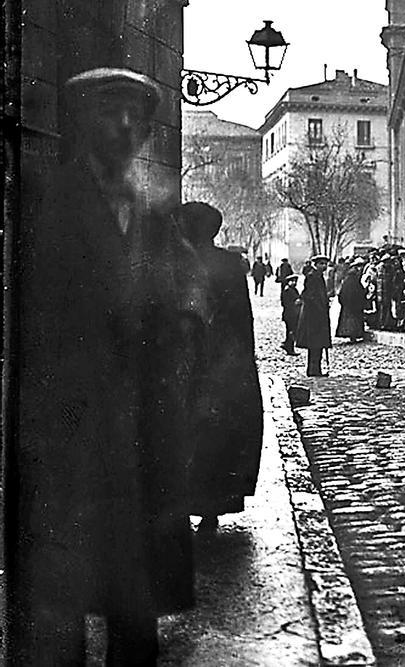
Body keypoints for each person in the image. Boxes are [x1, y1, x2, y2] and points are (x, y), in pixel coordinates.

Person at [14, 67, 206, 664]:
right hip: (71, 426)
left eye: (136, 118)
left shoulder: (147, 215)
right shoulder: (49, 203)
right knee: (61, 599)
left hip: (140, 429)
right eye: (110, 113)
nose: (125, 128)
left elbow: (181, 301)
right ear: (82, 122)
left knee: (135, 595)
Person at [175, 202, 263, 532]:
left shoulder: (183, 261)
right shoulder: (230, 263)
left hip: (197, 357)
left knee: (192, 431)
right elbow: (244, 319)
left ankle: (187, 503)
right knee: (216, 434)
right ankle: (210, 508)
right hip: (226, 359)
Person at [296, 256, 333, 376]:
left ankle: (316, 369)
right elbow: (310, 295)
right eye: (322, 264)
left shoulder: (318, 276)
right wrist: (320, 308)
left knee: (318, 343)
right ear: (316, 264)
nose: (324, 266)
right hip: (314, 316)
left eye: (325, 264)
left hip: (318, 314)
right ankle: (313, 370)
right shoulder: (312, 276)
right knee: (315, 343)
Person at [336, 258, 369, 342]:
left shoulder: (349, 278)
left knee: (349, 320)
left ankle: (352, 336)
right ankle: (354, 335)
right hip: (353, 303)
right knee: (353, 321)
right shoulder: (353, 278)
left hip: (348, 303)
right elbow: (356, 291)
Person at [281, 274, 302, 354]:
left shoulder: (293, 290)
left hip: (293, 314)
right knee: (291, 331)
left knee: (290, 330)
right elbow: (285, 303)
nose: (294, 283)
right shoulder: (287, 290)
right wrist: (295, 302)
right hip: (290, 314)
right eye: (292, 281)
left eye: (295, 281)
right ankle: (289, 347)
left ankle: (287, 344)